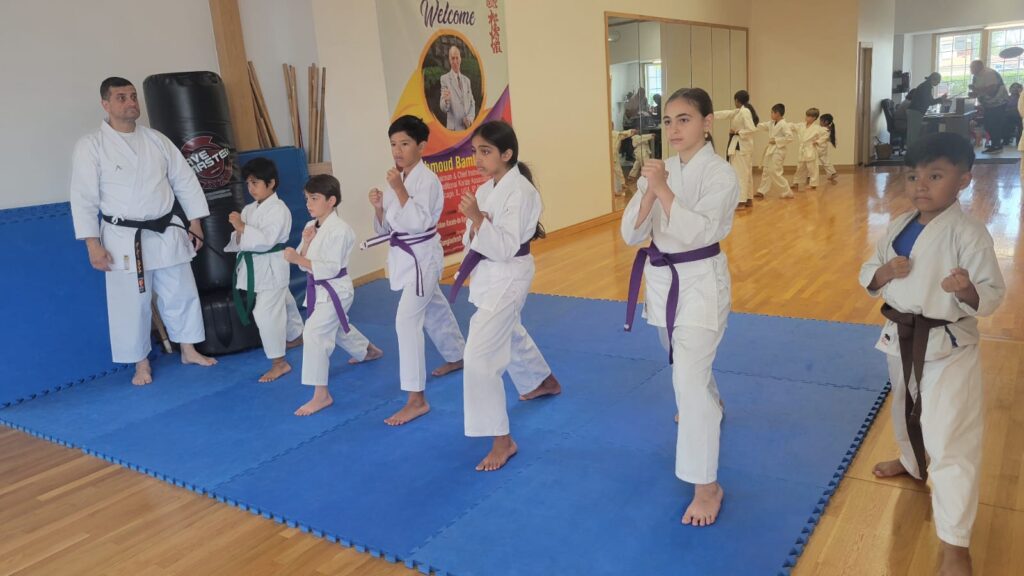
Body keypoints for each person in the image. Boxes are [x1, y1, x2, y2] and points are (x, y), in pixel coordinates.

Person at [859, 133, 1005, 576]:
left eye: (935, 175)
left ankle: (955, 544)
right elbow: (869, 271)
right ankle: (910, 462)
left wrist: (967, 291)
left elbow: (993, 296)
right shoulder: (901, 224)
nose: (921, 185)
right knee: (904, 410)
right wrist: (884, 271)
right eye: (914, 175)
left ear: (963, 179)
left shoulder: (969, 233)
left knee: (951, 439)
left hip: (948, 345)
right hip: (900, 336)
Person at [621, 87, 738, 527]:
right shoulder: (659, 169)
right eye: (668, 120)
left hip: (700, 281)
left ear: (707, 123)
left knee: (686, 380)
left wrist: (662, 189)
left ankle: (707, 486)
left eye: (685, 119)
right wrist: (650, 192)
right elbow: (630, 236)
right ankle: (711, 400)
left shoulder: (721, 175)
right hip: (661, 279)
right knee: (681, 363)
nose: (673, 128)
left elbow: (698, 233)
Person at [69, 76, 216, 386]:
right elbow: (83, 198)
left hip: (166, 229)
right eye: (121, 97)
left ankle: (188, 349)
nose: (131, 102)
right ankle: (140, 364)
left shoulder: (156, 140)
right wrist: (92, 245)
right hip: (123, 237)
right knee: (131, 302)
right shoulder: (91, 146)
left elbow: (184, 180)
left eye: (133, 96)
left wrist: (195, 221)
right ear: (105, 104)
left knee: (181, 292)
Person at [452, 120, 561, 472]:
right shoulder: (487, 190)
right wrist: (476, 222)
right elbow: (472, 240)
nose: (478, 159)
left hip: (509, 274)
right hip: (490, 274)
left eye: (486, 152)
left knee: (479, 357)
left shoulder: (523, 193)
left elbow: (503, 247)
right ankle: (540, 380)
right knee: (507, 329)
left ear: (507, 154)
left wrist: (477, 221)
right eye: (475, 152)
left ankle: (502, 439)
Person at [367, 115, 466, 426]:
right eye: (393, 144)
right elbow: (390, 226)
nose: (397, 150)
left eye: (405, 144)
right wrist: (379, 208)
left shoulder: (428, 180)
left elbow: (418, 223)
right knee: (434, 308)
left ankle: (416, 398)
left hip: (422, 259)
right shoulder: (397, 177)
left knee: (406, 322)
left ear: (421, 146)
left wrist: (398, 190)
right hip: (404, 256)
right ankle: (457, 354)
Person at [285, 175, 383, 416]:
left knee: (315, 332)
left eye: (315, 198)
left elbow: (329, 267)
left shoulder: (341, 231)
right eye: (307, 198)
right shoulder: (310, 226)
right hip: (317, 288)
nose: (309, 203)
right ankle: (368, 350)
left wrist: (299, 258)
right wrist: (305, 246)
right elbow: (302, 263)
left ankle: (321, 395)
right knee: (335, 326)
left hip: (335, 290)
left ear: (331, 200)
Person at [224, 157, 304, 382]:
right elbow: (242, 240)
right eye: (248, 183)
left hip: (271, 266)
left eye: (256, 183)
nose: (251, 189)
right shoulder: (249, 209)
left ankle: (279, 363)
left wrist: (242, 227)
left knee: (265, 312)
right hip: (256, 266)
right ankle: (296, 334)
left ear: (271, 183)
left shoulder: (279, 209)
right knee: (284, 300)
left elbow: (267, 240)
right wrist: (239, 231)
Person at [713, 90, 758, 209]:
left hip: (741, 147)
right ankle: (748, 198)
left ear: (737, 100)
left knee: (740, 174)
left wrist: (737, 132)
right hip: (741, 146)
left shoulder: (745, 112)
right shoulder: (740, 111)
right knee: (746, 173)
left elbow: (752, 129)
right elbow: (726, 114)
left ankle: (741, 201)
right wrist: (710, 114)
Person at [755, 103, 795, 200]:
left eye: (772, 112)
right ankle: (761, 191)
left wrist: (776, 140)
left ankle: (787, 191)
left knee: (774, 171)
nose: (771, 114)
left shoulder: (784, 125)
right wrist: (751, 122)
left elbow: (790, 138)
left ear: (777, 113)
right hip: (771, 150)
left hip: (779, 150)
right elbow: (761, 126)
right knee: (766, 170)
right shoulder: (771, 123)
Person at [969, 60, 1010, 153]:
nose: (970, 69)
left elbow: (992, 89)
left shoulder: (988, 73)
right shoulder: (976, 77)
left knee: (994, 124)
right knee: (988, 124)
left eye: (972, 67)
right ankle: (995, 144)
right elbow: (979, 91)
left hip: (998, 102)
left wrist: (977, 90)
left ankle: (997, 145)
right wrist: (973, 93)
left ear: (979, 66)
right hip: (988, 104)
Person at [439, 45, 476, 131]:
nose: (455, 61)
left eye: (457, 58)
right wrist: (446, 100)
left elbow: (472, 103)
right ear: (449, 60)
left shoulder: (467, 80)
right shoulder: (444, 79)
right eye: (452, 58)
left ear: (460, 59)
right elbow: (443, 108)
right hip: (453, 130)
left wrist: (470, 120)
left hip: (467, 128)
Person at [790, 107, 828, 191]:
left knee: (812, 168)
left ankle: (813, 184)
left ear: (814, 118)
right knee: (800, 167)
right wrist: (782, 123)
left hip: (810, 148)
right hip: (803, 149)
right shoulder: (801, 125)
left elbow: (825, 135)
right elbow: (792, 126)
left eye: (809, 116)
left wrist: (817, 141)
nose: (806, 117)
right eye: (806, 115)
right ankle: (796, 182)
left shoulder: (817, 128)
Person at [907, 73, 948, 147]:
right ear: (933, 79)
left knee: (912, 134)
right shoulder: (926, 87)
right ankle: (912, 153)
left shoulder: (925, 85)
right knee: (914, 134)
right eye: (938, 82)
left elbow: (928, 101)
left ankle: (911, 152)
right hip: (915, 111)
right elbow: (930, 101)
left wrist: (940, 99)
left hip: (914, 111)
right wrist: (941, 99)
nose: (938, 84)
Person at [817, 113, 838, 183]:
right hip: (823, 148)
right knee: (825, 161)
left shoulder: (822, 129)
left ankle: (808, 176)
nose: (819, 122)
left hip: (819, 148)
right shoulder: (827, 129)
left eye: (820, 121)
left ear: (825, 122)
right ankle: (833, 173)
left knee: (810, 161)